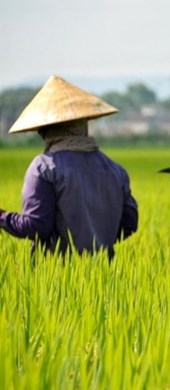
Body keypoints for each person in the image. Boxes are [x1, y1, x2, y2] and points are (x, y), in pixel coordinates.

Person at [0, 75, 138, 259]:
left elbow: (35, 226)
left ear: (45, 130)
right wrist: (96, 243)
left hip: (54, 278)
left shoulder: (44, 167)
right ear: (83, 125)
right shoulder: (115, 170)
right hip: (106, 278)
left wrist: (2, 217)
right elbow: (129, 223)